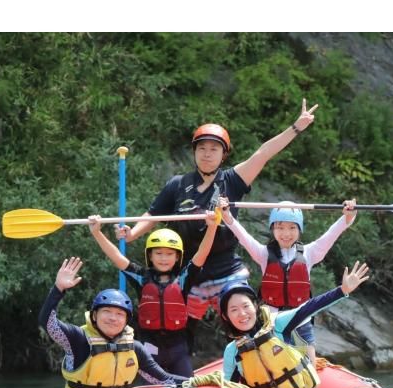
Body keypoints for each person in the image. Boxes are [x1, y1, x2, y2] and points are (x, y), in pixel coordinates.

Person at [114, 98, 319, 324]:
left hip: (227, 271)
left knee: (245, 317)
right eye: (201, 148)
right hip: (189, 274)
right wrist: (132, 233)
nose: (207, 154)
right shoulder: (177, 184)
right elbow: (154, 215)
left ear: (224, 155)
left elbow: (262, 153)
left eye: (214, 149)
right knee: (176, 324)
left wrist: (296, 127)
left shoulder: (232, 180)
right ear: (194, 152)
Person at [219, 197, 357, 365]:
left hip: (301, 321)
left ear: (299, 230)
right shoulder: (263, 254)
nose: (286, 233)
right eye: (280, 227)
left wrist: (348, 216)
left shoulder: (310, 253)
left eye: (292, 227)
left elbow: (331, 234)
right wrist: (227, 216)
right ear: (273, 229)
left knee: (309, 368)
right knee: (276, 368)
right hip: (273, 323)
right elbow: (243, 237)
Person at [39, 257, 187, 388]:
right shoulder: (78, 339)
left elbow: (164, 380)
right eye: (107, 311)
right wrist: (58, 288)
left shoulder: (135, 348)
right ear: (94, 315)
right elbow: (48, 323)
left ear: (126, 320)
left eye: (119, 314)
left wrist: (195, 382)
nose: (113, 318)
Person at [218, 261, 370, 388]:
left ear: (256, 306)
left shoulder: (277, 324)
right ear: (226, 316)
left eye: (246, 306)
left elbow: (309, 307)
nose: (242, 313)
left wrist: (342, 291)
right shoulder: (233, 351)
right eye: (234, 310)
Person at [87, 210, 219, 377]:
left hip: (178, 348)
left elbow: (202, 253)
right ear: (150, 255)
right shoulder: (141, 277)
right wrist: (97, 233)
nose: (164, 258)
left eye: (169, 254)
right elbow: (116, 257)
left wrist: (212, 227)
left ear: (177, 257)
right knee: (149, 384)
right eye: (158, 253)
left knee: (187, 385)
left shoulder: (183, 278)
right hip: (149, 349)